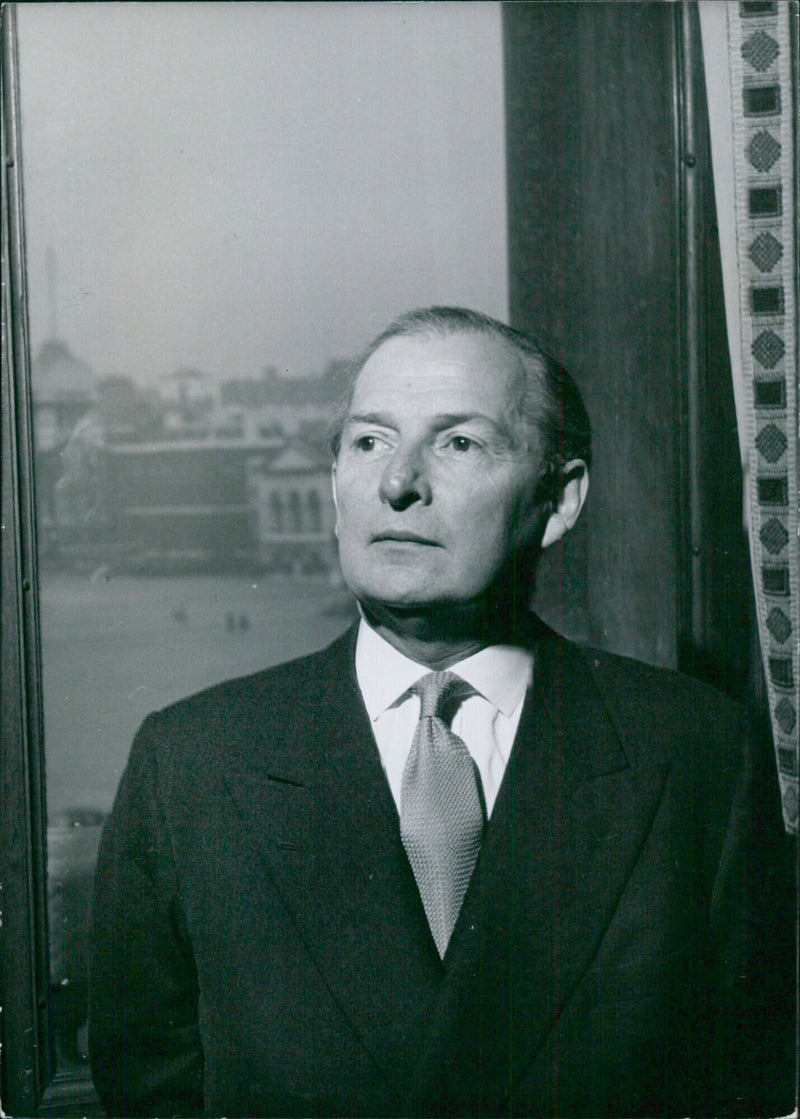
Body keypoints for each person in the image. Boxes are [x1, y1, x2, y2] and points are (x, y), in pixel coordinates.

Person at [89, 307, 770, 1117]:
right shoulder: (191, 763)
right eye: (369, 441)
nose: (397, 482)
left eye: (458, 443)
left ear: (559, 499)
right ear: (336, 483)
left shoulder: (697, 751)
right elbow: (149, 1088)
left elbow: (750, 1079)